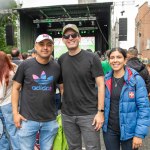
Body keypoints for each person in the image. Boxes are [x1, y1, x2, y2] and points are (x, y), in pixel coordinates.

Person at [58, 24, 105, 150]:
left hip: (89, 114)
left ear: (79, 37)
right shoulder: (61, 59)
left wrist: (100, 112)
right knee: (73, 148)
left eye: (73, 35)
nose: (70, 38)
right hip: (67, 115)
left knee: (93, 148)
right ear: (63, 39)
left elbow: (101, 85)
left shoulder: (92, 58)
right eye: (66, 36)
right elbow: (62, 87)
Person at [11, 34, 61, 150]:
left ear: (52, 47)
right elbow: (15, 88)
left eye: (49, 45)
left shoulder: (56, 67)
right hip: (27, 119)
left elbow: (63, 89)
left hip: (49, 120)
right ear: (36, 46)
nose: (45, 48)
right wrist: (15, 113)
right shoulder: (25, 65)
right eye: (42, 44)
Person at [103, 47, 150, 150]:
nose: (115, 60)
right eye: (112, 58)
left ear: (125, 60)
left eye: (119, 57)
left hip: (130, 132)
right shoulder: (106, 79)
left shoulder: (136, 79)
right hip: (110, 131)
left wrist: (139, 134)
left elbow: (144, 108)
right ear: (109, 60)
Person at [0, 51, 20, 150]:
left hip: (4, 104)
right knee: (13, 130)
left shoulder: (4, 74)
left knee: (4, 131)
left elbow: (0, 94)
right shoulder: (12, 69)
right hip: (10, 103)